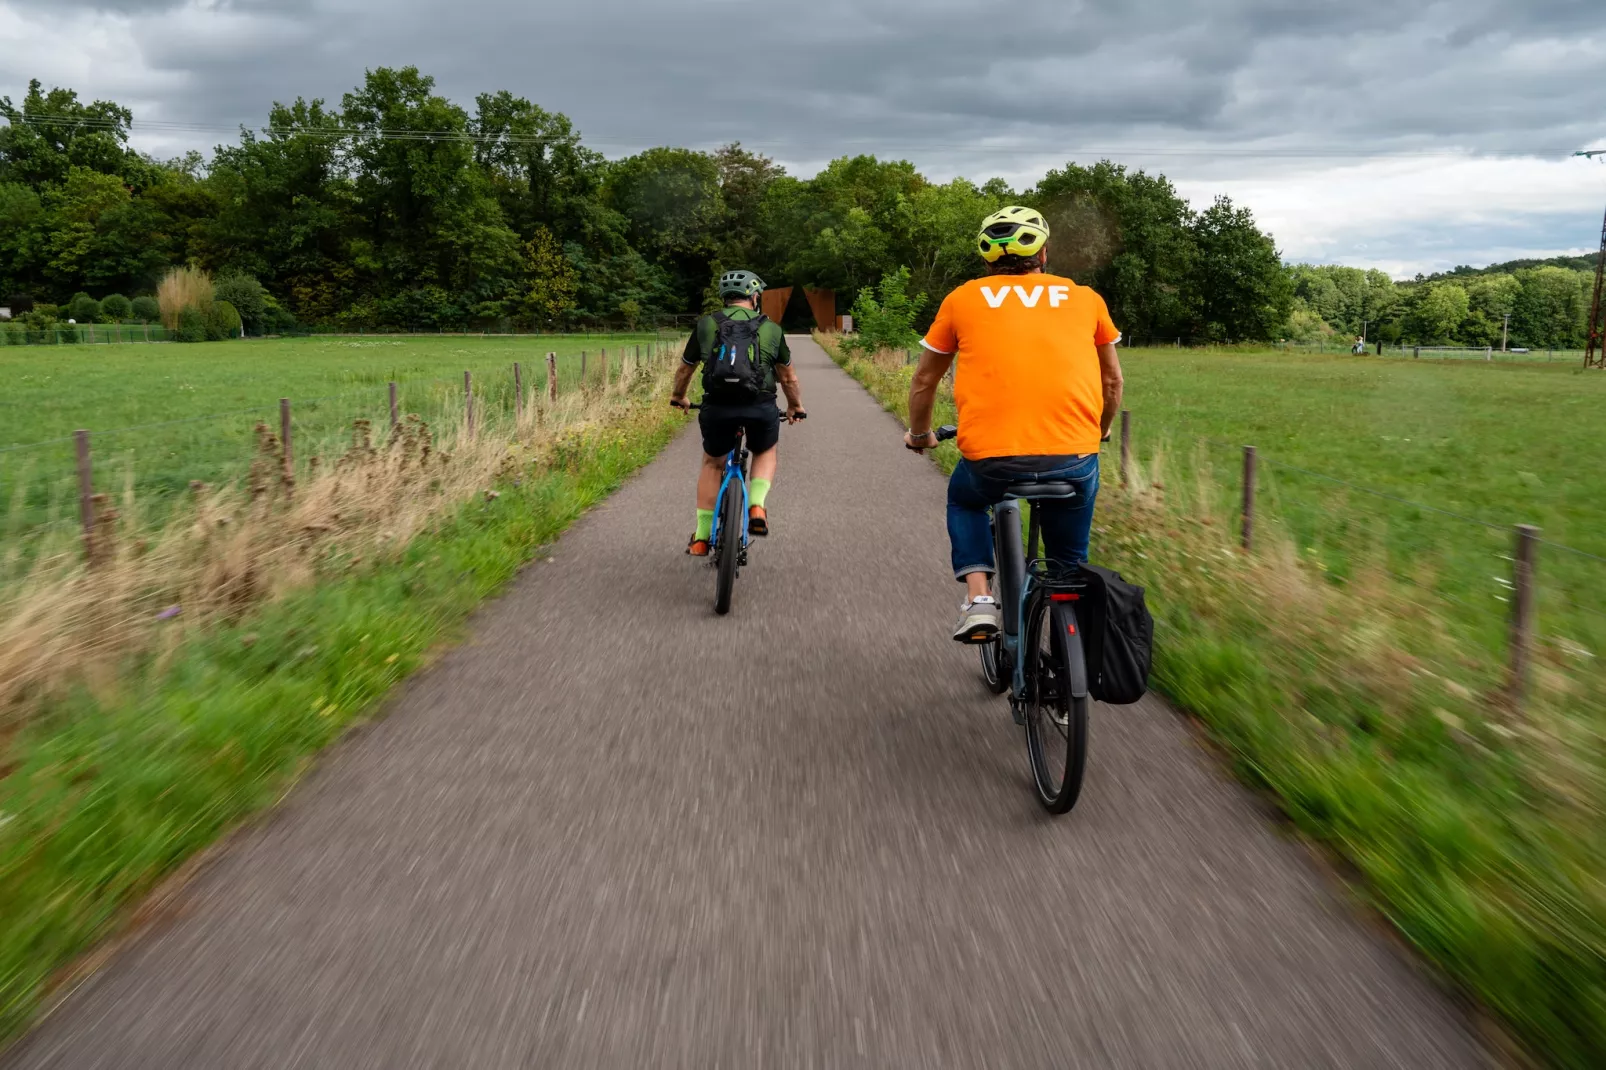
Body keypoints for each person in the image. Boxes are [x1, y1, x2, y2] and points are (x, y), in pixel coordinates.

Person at [903, 206, 1125, 642]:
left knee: (965, 501)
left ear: (987, 258)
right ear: (1043, 253)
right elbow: (1112, 381)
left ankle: (980, 598)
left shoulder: (963, 298)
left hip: (991, 461)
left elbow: (925, 379)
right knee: (1068, 566)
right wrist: (1100, 429)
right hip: (1074, 458)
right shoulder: (1084, 297)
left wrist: (918, 435)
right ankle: (1067, 681)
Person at [670, 269, 806, 556]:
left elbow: (686, 368)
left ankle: (701, 538)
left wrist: (679, 396)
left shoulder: (707, 325)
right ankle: (756, 505)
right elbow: (789, 377)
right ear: (754, 297)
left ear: (725, 298)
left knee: (712, 463)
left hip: (717, 406)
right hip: (760, 406)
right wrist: (795, 406)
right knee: (765, 450)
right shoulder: (771, 328)